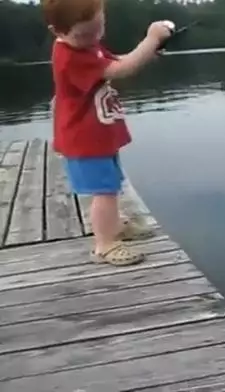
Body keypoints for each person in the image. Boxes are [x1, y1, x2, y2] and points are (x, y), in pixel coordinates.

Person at [41, 0, 173, 266]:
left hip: (97, 135)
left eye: (98, 29)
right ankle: (105, 244)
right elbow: (121, 70)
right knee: (104, 191)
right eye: (84, 34)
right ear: (57, 31)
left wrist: (146, 53)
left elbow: (119, 61)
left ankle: (114, 227)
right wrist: (152, 38)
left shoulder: (85, 46)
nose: (93, 38)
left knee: (110, 184)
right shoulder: (70, 55)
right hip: (84, 139)